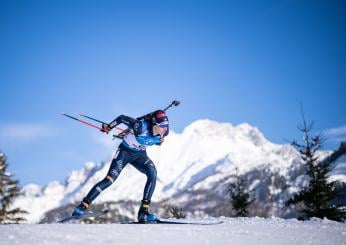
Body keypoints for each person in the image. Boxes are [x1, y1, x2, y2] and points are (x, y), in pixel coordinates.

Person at [72, 110, 169, 223]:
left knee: (152, 173)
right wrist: (109, 127)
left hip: (140, 155)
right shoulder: (140, 126)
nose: (164, 129)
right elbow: (122, 118)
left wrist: (158, 140)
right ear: (154, 123)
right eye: (162, 126)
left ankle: (143, 212)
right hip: (125, 153)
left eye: (166, 125)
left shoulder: (165, 131)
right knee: (109, 180)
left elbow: (155, 140)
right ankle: (81, 207)